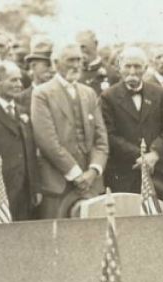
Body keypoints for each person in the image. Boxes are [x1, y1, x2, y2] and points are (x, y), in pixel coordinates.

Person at [31, 41, 109, 219]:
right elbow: (47, 141)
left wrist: (94, 170)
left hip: (91, 185)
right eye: (70, 60)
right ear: (56, 63)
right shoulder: (42, 94)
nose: (76, 65)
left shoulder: (88, 93)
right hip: (59, 184)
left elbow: (101, 139)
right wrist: (75, 173)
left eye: (79, 60)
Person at [100, 47, 163, 207]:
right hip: (124, 171)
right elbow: (109, 135)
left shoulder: (158, 93)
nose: (132, 71)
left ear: (145, 68)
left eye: (137, 66)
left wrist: (154, 154)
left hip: (158, 170)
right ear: (119, 68)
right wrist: (140, 156)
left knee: (160, 216)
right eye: (127, 66)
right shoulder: (108, 97)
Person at [0, 61, 40, 220]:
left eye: (20, 80)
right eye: (13, 80)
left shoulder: (23, 112)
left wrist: (35, 188)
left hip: (25, 193)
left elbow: (31, 154)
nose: (19, 84)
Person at [16, 35, 55, 110]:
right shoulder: (20, 99)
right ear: (33, 66)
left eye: (54, 65)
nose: (52, 69)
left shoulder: (62, 95)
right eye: (47, 65)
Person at [76, 30, 120, 95]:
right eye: (77, 48)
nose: (80, 51)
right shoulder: (76, 73)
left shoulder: (111, 73)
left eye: (83, 47)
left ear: (95, 44)